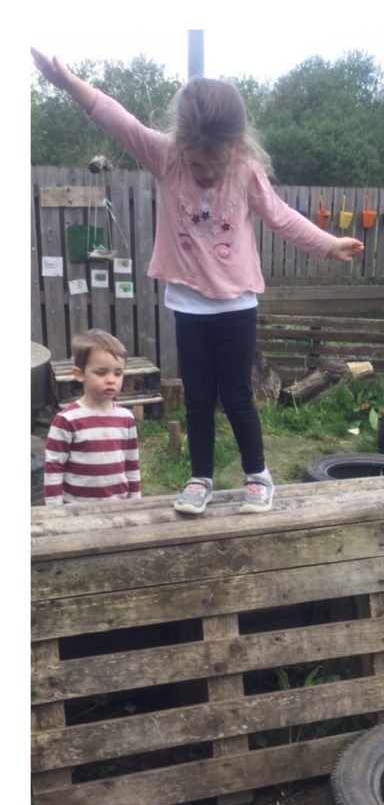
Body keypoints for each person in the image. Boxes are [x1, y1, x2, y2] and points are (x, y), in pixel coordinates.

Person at [32, 49, 365, 514]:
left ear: (237, 144)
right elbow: (117, 119)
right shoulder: (165, 156)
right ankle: (200, 478)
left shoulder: (246, 170)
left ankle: (258, 475)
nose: (207, 174)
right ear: (181, 146)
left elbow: (281, 217)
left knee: (237, 395)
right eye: (198, 165)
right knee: (198, 398)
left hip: (236, 304)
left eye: (216, 164)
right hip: (188, 304)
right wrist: (68, 83)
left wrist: (328, 244)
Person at [44, 329, 141, 505]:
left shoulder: (126, 418)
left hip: (119, 506)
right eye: (101, 373)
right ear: (80, 374)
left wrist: (136, 503)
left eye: (118, 373)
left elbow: (131, 463)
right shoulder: (66, 420)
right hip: (77, 509)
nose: (111, 380)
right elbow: (54, 468)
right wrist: (54, 511)